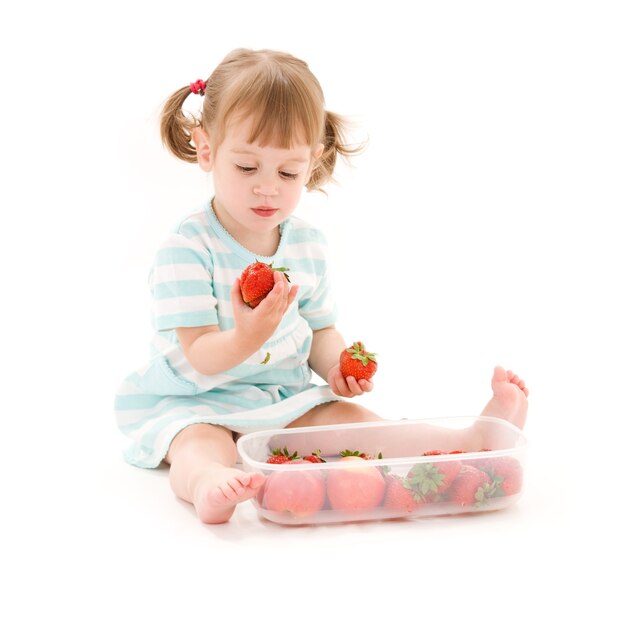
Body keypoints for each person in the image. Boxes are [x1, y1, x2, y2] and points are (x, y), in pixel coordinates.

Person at [114, 48, 529, 524]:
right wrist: (249, 335)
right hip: (198, 400)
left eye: (287, 172)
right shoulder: (187, 248)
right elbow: (200, 354)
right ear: (207, 150)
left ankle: (467, 442)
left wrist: (336, 368)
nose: (267, 187)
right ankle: (207, 483)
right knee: (199, 444)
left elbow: (320, 329)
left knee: (350, 424)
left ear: (312, 163)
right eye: (247, 168)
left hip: (283, 400)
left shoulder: (307, 244)